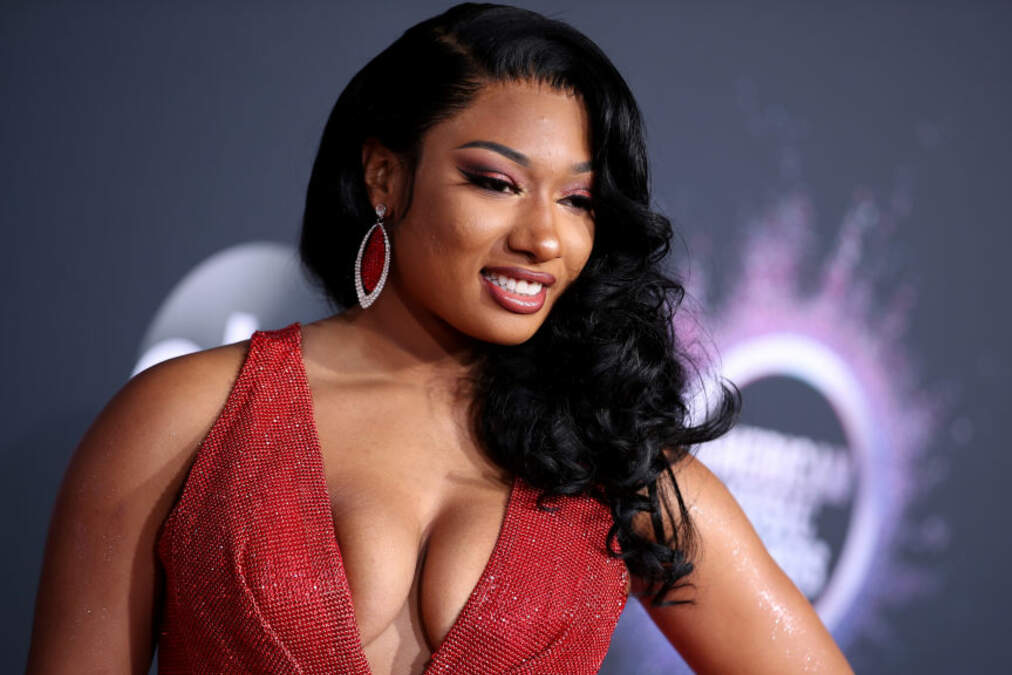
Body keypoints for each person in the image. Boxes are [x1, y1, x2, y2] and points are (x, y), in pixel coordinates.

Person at [27, 3, 853, 673]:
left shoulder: (611, 455)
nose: (544, 237)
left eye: (577, 201)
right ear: (384, 174)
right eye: (496, 182)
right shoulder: (187, 415)